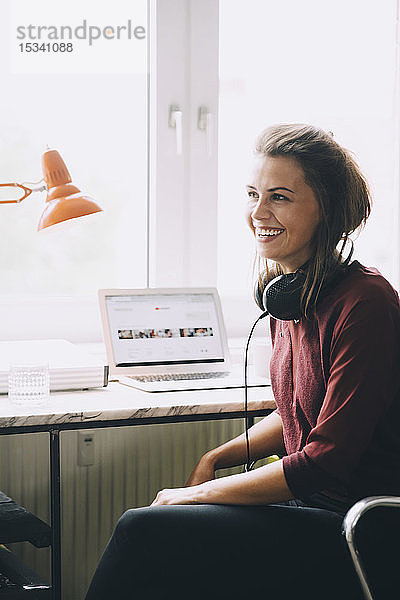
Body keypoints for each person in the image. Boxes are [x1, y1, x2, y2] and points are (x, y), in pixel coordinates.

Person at [85, 124, 400, 600]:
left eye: (279, 197)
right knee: (166, 540)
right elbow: (299, 408)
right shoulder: (291, 298)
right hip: (310, 508)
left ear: (328, 210)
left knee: (145, 530)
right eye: (253, 194)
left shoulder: (365, 304)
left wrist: (197, 494)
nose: (257, 213)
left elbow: (324, 460)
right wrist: (218, 458)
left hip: (359, 527)